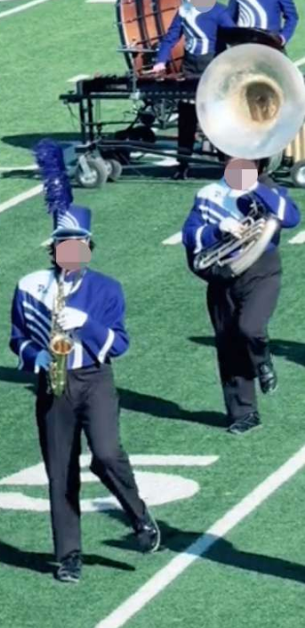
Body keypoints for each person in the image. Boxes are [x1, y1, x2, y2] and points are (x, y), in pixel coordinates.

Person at [11, 140, 159, 584]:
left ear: (88, 248)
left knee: (108, 454)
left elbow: (120, 345)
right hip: (52, 382)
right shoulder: (30, 285)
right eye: (62, 245)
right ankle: (68, 555)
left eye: (76, 245)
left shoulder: (107, 290)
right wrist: (36, 356)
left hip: (94, 378)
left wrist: (86, 323)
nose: (69, 253)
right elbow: (16, 339)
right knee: (59, 472)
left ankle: (139, 516)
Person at [181, 157, 299, 434]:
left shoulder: (270, 190)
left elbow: (291, 218)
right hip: (222, 277)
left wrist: (256, 187)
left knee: (250, 326)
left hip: (262, 271)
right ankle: (243, 413)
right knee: (228, 343)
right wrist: (217, 230)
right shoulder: (210, 194)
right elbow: (190, 233)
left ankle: (262, 360)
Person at [153, 0, 237, 179]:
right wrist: (161, 60)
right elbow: (171, 36)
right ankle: (182, 164)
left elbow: (234, 37)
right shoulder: (184, 10)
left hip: (213, 69)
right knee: (186, 120)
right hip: (189, 69)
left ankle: (226, 164)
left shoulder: (219, 12)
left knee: (217, 119)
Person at [230, 0, 299, 44]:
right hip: (244, 41)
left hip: (270, 42)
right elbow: (231, 17)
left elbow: (292, 17)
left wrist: (282, 38)